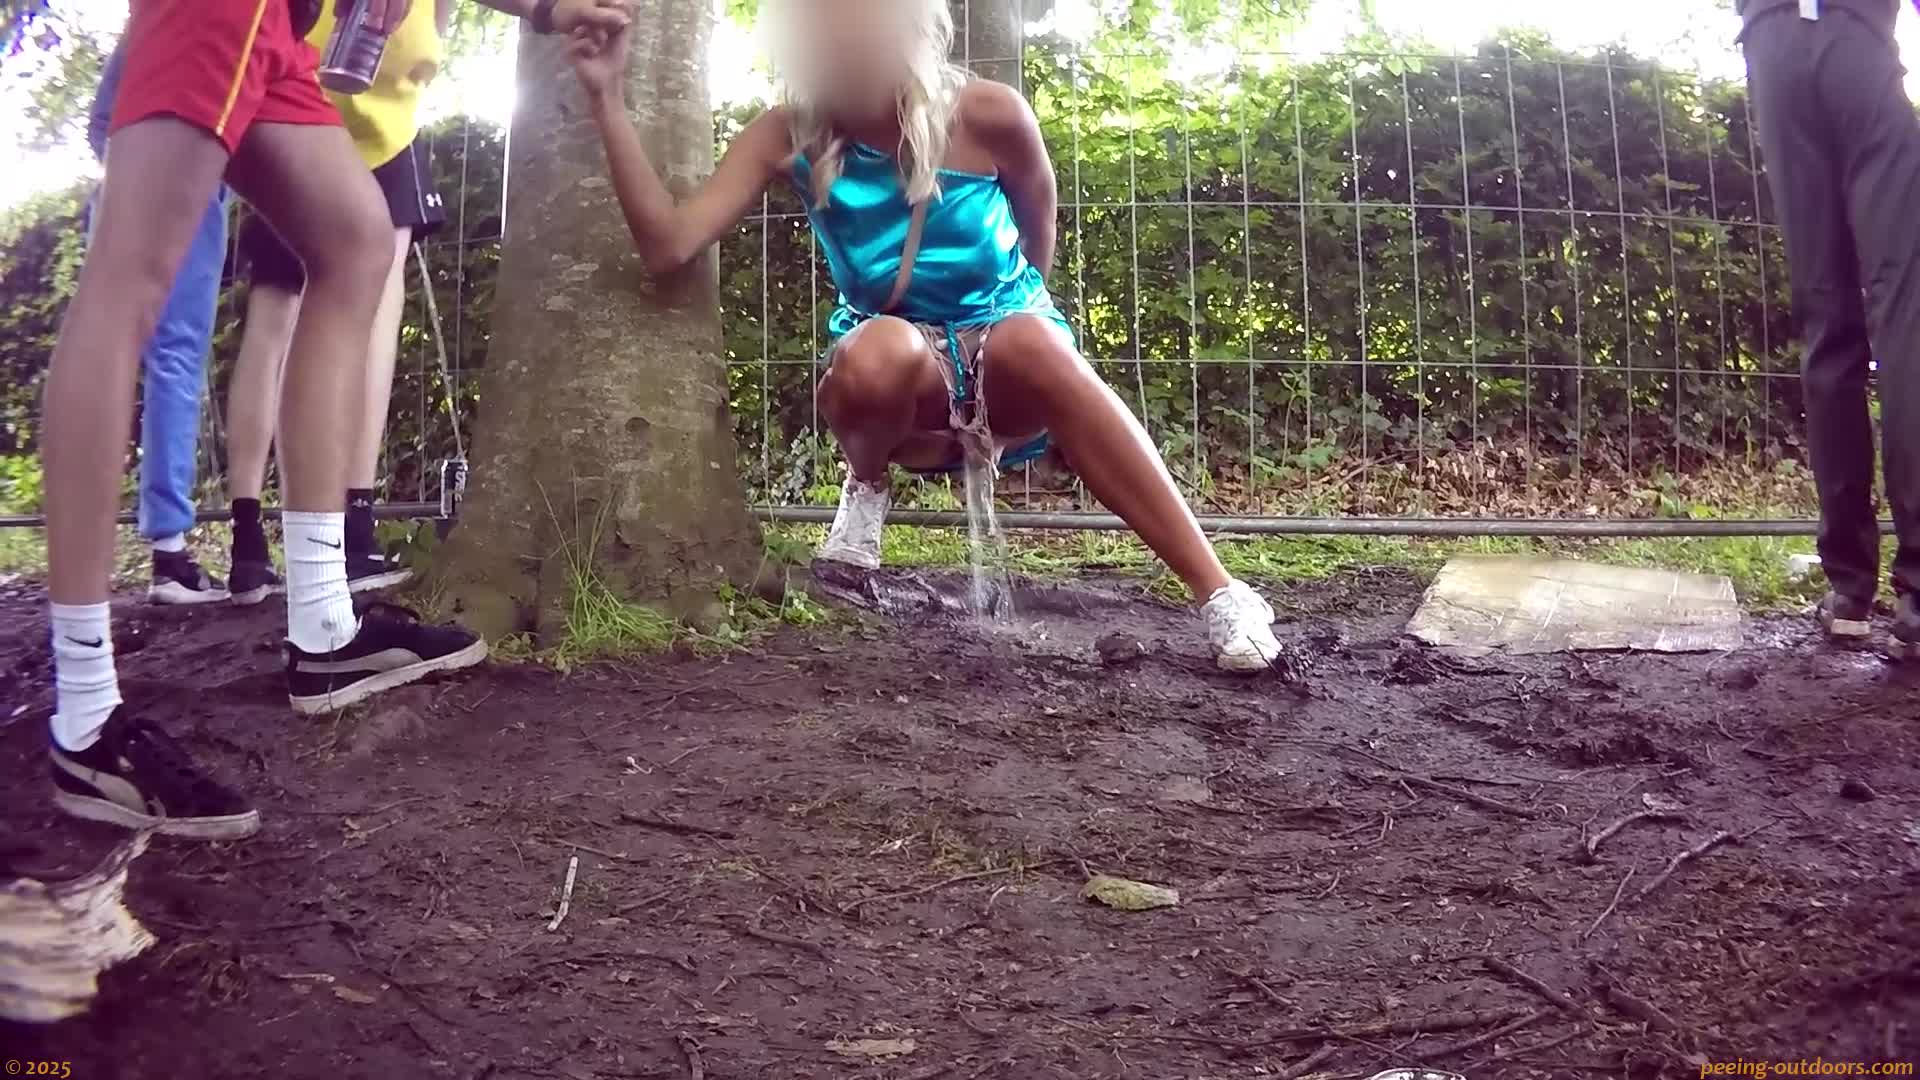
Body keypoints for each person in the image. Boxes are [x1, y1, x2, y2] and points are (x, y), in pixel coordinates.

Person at [565, 0, 1286, 672]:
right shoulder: (787, 133)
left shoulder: (990, 113)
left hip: (1005, 336)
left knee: (1036, 342)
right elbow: (668, 246)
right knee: (877, 352)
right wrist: (606, 98)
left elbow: (1038, 227)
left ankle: (1222, 593)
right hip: (895, 365)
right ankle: (866, 488)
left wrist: (1007, 344)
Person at [42, 0, 489, 841]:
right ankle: (84, 715)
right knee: (129, 277)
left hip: (277, 26)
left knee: (357, 239)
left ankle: (324, 627)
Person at [222, 0, 635, 600]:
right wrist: (544, 11)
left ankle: (249, 543)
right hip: (365, 104)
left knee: (273, 322)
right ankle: (351, 529)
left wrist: (546, 11)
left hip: (287, 84)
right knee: (368, 312)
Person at [1738, 0, 1920, 658]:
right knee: (1906, 317)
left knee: (1826, 314)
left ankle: (1848, 590)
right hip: (1858, 35)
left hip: (1773, 40)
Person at [85, 40, 233, 607]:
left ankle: (84, 568)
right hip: (193, 159)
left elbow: (102, 119)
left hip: (124, 158)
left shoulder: (150, 20)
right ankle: (170, 557)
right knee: (175, 354)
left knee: (104, 346)